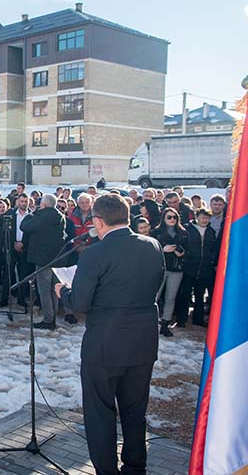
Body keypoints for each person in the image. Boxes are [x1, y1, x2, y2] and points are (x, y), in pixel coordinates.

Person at [56, 194, 164, 475]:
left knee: (100, 414)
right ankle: (135, 468)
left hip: (105, 345)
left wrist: (63, 291)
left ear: (98, 221)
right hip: (142, 342)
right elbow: (156, 285)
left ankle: (107, 471)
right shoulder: (152, 245)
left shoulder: (94, 253)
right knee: (135, 411)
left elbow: (79, 304)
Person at [20, 194, 66, 330]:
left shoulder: (41, 216)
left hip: (42, 259)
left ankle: (48, 320)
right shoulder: (60, 216)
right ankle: (53, 317)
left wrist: (30, 214)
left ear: (44, 204)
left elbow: (25, 227)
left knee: (44, 291)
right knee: (54, 290)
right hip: (57, 258)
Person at [177, 208, 219, 328]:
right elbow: (182, 244)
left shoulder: (211, 232)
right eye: (202, 217)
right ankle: (182, 319)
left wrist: (211, 259)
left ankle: (198, 319)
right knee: (185, 294)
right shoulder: (188, 229)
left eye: (207, 218)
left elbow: (214, 248)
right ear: (197, 217)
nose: (204, 220)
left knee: (199, 295)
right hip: (189, 267)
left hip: (205, 268)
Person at [151, 207, 187, 337]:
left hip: (176, 268)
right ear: (164, 218)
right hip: (160, 267)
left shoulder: (183, 232)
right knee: (154, 296)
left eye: (174, 217)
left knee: (170, 298)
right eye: (169, 217)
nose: (172, 219)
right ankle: (151, 322)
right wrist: (162, 249)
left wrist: (182, 252)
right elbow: (150, 250)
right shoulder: (156, 232)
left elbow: (188, 250)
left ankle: (165, 324)